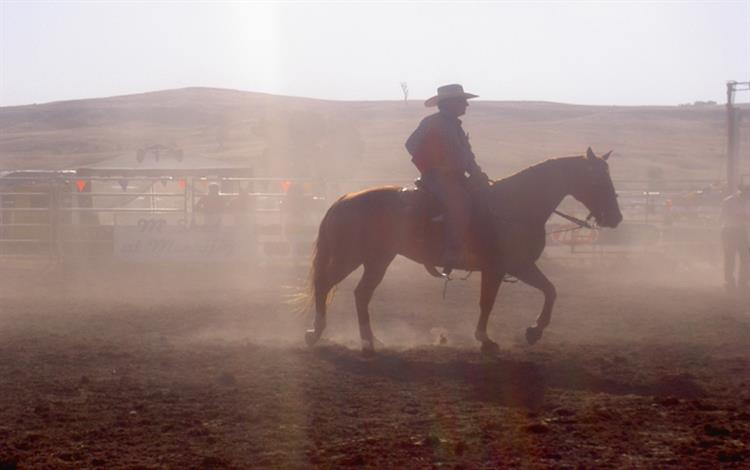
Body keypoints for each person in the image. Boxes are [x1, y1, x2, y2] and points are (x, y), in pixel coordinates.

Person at [405, 84, 490, 274]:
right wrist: (435, 165)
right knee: (460, 202)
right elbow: (411, 145)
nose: (466, 105)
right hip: (436, 178)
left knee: (486, 199)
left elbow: (467, 156)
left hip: (457, 178)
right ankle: (451, 251)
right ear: (450, 103)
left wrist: (477, 174)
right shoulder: (432, 122)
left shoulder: (456, 127)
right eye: (462, 101)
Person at [720, 183, 750, 291]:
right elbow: (729, 215)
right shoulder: (729, 201)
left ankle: (741, 282)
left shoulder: (741, 201)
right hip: (731, 230)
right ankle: (731, 282)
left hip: (738, 231)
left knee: (744, 258)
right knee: (731, 258)